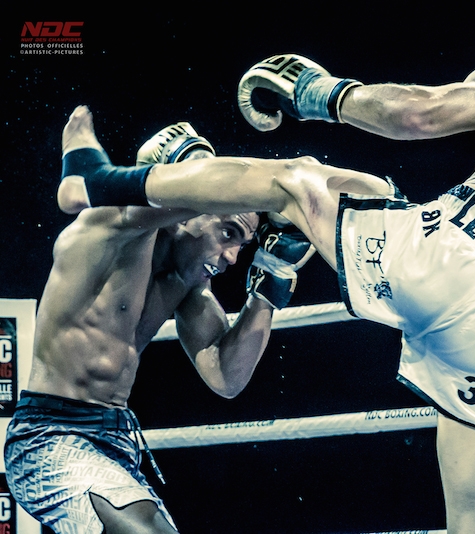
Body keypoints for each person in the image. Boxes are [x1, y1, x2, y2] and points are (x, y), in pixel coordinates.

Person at [55, 5, 475, 533]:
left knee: (294, 180)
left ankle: (99, 182)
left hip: (458, 255)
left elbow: (419, 115)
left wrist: (318, 92)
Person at [4, 121, 314, 534]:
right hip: (51, 437)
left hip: (117, 443)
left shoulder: (187, 285)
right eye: (227, 233)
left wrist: (269, 285)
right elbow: (169, 191)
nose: (233, 258)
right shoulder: (108, 228)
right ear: (181, 211)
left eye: (242, 244)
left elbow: (226, 377)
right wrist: (288, 181)